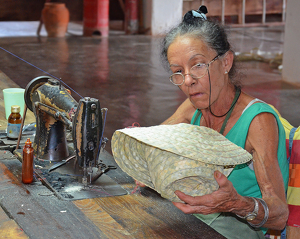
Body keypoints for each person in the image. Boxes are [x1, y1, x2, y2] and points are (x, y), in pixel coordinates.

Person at [136, 5, 289, 239]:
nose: (188, 80)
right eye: (178, 71)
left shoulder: (258, 121)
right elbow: (153, 145)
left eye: (198, 65)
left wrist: (238, 204)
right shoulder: (192, 108)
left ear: (226, 62)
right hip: (194, 222)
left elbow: (279, 216)